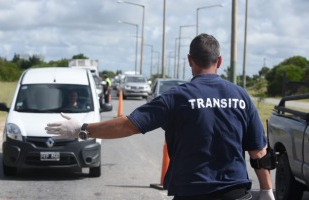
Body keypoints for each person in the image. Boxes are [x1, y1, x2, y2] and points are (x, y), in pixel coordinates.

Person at [45, 34, 275, 200]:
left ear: (189, 61)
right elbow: (259, 152)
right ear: (220, 61)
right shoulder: (241, 96)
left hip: (191, 191)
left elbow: (128, 126)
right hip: (234, 192)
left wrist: (82, 129)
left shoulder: (176, 97)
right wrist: (266, 191)